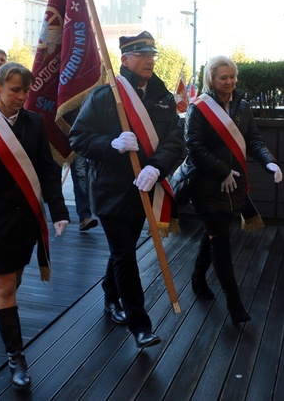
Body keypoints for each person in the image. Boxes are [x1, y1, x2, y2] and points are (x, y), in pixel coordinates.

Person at [0, 62, 70, 391]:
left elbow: (48, 170)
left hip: (25, 221)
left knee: (14, 281)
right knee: (5, 288)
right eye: (14, 90)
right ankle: (16, 357)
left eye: (25, 90)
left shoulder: (35, 123)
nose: (21, 97)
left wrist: (58, 210)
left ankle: (3, 318)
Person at [69, 31, 184, 348]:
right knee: (125, 254)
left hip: (145, 186)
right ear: (125, 59)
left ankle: (109, 295)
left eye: (152, 54)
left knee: (124, 251)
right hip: (111, 190)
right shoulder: (106, 96)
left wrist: (155, 167)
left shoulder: (162, 96)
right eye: (142, 54)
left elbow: (176, 140)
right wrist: (112, 144)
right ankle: (140, 325)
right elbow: (79, 138)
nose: (149, 59)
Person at [184, 55, 283, 323]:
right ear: (211, 80)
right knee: (221, 240)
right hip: (207, 184)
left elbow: (254, 140)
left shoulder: (243, 107)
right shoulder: (199, 108)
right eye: (223, 77)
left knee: (216, 233)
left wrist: (270, 163)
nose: (229, 82)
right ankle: (234, 302)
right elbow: (194, 148)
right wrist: (222, 170)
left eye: (232, 77)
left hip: (235, 185)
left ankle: (197, 277)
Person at [71, 154, 98, 231]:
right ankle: (57, 215)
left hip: (75, 145)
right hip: (55, 144)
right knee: (54, 175)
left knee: (80, 174)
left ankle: (84, 217)